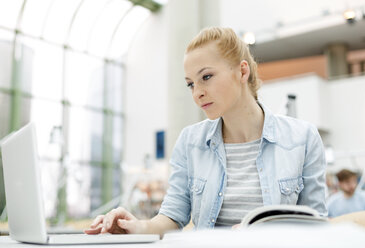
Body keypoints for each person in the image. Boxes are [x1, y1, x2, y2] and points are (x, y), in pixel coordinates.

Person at [84, 27, 327, 237]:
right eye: (190, 83)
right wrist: (137, 226)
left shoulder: (302, 139)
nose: (196, 92)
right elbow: (172, 216)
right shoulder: (191, 142)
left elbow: (317, 224)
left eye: (206, 77)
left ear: (242, 72)